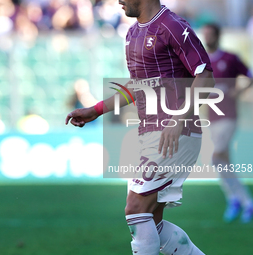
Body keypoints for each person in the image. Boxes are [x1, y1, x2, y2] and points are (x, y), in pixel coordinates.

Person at [66, 0, 215, 254]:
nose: (119, 1)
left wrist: (178, 119)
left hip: (176, 132)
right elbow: (138, 86)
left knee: (135, 208)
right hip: (150, 133)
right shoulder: (133, 32)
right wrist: (97, 110)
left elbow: (206, 75)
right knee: (151, 222)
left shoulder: (172, 26)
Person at [203, 23, 253, 223]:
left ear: (217, 35)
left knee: (216, 157)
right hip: (212, 117)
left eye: (210, 34)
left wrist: (238, 92)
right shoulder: (202, 62)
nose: (207, 38)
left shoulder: (230, 58)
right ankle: (238, 201)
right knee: (223, 162)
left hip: (229, 116)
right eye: (205, 34)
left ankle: (241, 200)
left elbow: (249, 76)